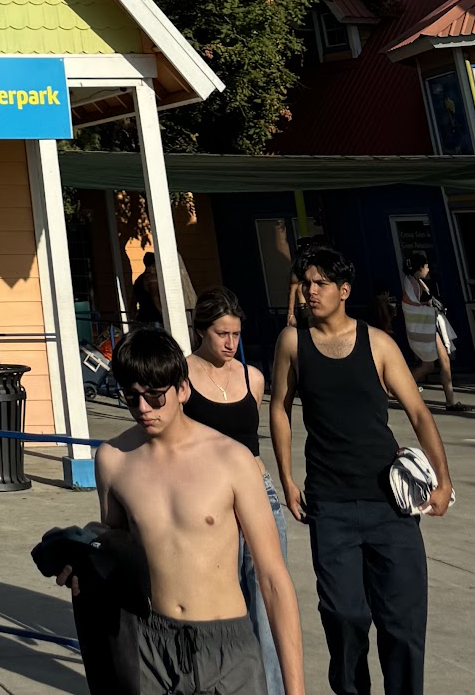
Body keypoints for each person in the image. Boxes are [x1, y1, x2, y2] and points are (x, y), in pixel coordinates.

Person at [270, 243, 451, 695]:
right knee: (343, 614)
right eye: (306, 284)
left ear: (344, 290)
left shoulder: (379, 344)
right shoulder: (293, 343)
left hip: (390, 505)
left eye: (321, 283)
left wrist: (443, 480)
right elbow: (279, 409)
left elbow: (419, 413)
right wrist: (286, 478)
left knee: (403, 620)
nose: (310, 291)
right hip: (330, 504)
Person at [91, 326, 304, 695]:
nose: (143, 409)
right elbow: (115, 546)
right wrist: (82, 553)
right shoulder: (113, 460)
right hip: (151, 646)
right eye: (132, 397)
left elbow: (273, 579)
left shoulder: (232, 460)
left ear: (183, 390)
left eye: (155, 396)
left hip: (226, 648)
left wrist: (295, 689)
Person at [186, 288, 288, 695]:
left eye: (236, 335)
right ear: (201, 330)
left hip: (258, 496)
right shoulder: (181, 378)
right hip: (207, 502)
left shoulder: (252, 377)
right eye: (221, 334)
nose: (230, 343)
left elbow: (252, 441)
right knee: (217, 607)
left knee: (267, 604)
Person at [398, 252, 464, 415]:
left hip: (427, 327)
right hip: (428, 328)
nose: (428, 270)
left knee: (429, 366)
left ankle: (398, 388)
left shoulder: (413, 281)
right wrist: (431, 308)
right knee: (442, 362)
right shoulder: (414, 283)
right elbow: (414, 305)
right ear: (419, 268)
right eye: (426, 267)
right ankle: (450, 401)